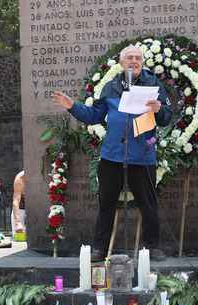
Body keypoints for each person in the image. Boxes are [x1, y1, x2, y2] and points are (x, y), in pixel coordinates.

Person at [52, 45, 172, 261]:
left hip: (142, 156)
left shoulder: (153, 83)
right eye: (129, 58)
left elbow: (166, 117)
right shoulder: (110, 87)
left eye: (138, 58)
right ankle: (99, 248)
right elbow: (94, 115)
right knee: (106, 204)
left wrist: (159, 109)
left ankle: (152, 247)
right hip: (113, 155)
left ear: (142, 63)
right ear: (121, 63)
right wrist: (72, 106)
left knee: (148, 204)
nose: (134, 61)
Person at [11, 170, 26, 236]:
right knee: (19, 239)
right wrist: (17, 222)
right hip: (21, 210)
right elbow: (16, 201)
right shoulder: (20, 178)